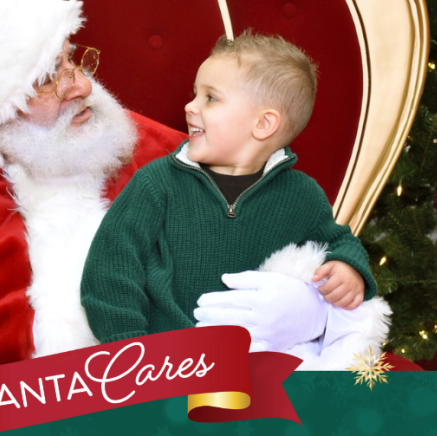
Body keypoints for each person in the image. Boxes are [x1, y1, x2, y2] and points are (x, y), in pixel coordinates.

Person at [0, 0, 387, 370]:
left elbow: (284, 227)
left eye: (73, 60)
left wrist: (310, 309)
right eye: (48, 78)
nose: (80, 85)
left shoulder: (155, 150)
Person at [82, 31, 391, 367]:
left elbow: (339, 241)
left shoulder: (302, 195)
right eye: (195, 94)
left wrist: (348, 267)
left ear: (263, 124)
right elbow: (110, 266)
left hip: (255, 368)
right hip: (165, 364)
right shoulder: (156, 184)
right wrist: (128, 348)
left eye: (211, 98)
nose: (190, 106)